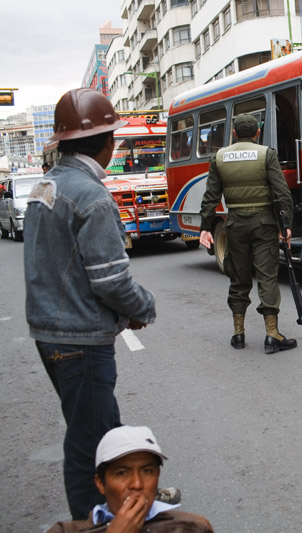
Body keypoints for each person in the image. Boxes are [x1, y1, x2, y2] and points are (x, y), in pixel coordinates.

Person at [24, 88, 157, 521]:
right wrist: (142, 308)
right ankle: (94, 521)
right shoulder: (91, 196)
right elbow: (110, 280)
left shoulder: (46, 186)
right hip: (81, 340)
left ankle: (113, 510)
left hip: (51, 332)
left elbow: (61, 265)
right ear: (105, 142)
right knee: (92, 438)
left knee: (91, 428)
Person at [199, 113, 297, 354]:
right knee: (267, 277)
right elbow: (281, 193)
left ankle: (238, 334)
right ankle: (272, 335)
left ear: (234, 133)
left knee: (238, 278)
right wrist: (285, 225)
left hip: (234, 225)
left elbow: (210, 196)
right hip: (263, 224)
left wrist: (206, 227)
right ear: (256, 133)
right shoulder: (266, 154)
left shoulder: (219, 157)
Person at [46, 426, 214, 532]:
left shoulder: (192, 527)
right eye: (121, 473)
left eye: (147, 471)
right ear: (100, 483)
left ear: (157, 476)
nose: (137, 484)